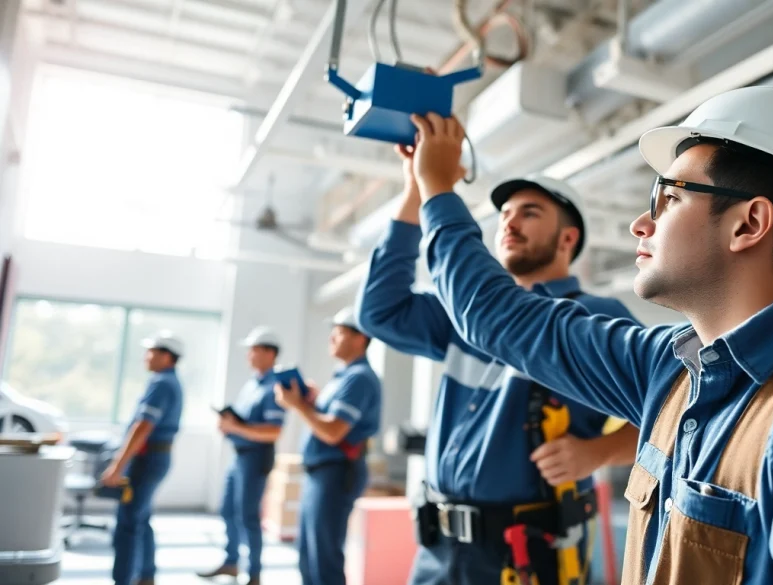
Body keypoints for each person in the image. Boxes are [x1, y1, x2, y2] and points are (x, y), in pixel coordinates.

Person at [400, 86, 773, 584]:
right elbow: (499, 318)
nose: (641, 222)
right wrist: (434, 190)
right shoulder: (671, 370)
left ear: (748, 223)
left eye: (669, 196)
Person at [355, 140, 642, 585]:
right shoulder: (464, 316)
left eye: (529, 212)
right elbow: (379, 311)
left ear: (568, 238)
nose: (509, 221)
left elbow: (670, 416)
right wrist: (415, 188)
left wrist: (599, 452)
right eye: (505, 213)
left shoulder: (596, 317)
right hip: (438, 547)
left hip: (528, 551)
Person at [274, 307, 381, 585]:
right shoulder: (343, 377)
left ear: (361, 339)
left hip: (336, 473)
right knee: (308, 553)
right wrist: (311, 403)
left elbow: (333, 431)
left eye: (340, 331)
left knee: (324, 558)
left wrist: (298, 406)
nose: (332, 337)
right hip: (321, 473)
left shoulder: (359, 378)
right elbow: (327, 421)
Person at [198, 326, 286, 585]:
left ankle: (255, 573)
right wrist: (229, 423)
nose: (249, 355)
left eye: (254, 350)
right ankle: (231, 562)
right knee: (228, 510)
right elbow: (246, 422)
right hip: (239, 456)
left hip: (256, 458)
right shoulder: (252, 384)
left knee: (248, 516)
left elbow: (273, 431)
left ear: (269, 353)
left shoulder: (275, 387)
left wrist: (235, 427)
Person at [100, 331, 184, 585]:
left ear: (166, 356)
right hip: (156, 458)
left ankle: (124, 580)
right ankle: (146, 576)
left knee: (128, 523)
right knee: (141, 518)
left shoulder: (162, 384)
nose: (145, 357)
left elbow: (142, 428)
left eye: (151, 352)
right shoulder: (168, 381)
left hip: (147, 461)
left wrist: (117, 466)